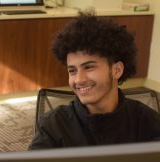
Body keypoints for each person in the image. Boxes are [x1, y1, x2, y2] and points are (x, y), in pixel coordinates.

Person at [29, 12, 160, 150]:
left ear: (117, 70)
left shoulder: (147, 121)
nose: (79, 79)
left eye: (89, 67)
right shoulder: (53, 125)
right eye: (72, 71)